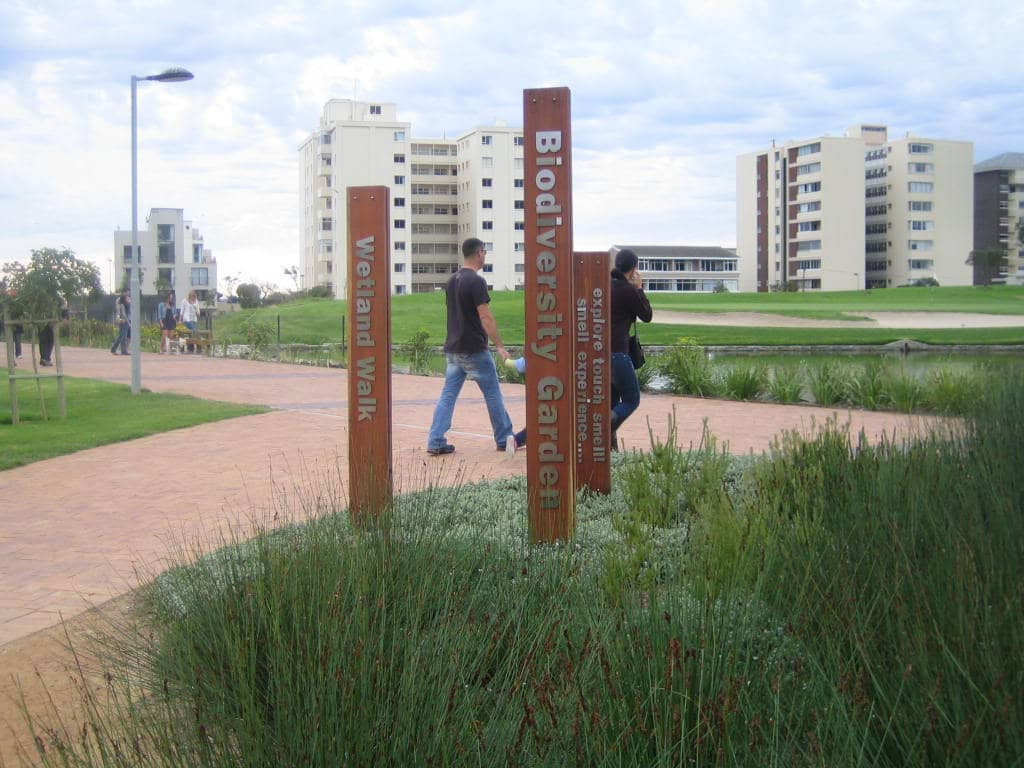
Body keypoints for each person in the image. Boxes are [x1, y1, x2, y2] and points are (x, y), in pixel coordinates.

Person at [426, 237, 519, 456]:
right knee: (493, 393)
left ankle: (435, 440)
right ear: (479, 253)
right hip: (474, 349)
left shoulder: (452, 280)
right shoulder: (476, 281)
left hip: (453, 349)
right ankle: (505, 439)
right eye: (484, 252)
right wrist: (499, 346)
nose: (485, 255)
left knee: (448, 395)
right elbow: (485, 316)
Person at [608, 248, 653, 449]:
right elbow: (647, 315)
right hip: (619, 353)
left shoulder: (605, 287)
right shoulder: (628, 290)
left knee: (612, 401)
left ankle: (610, 449)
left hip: (601, 355)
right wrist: (639, 288)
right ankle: (601, 426)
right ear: (634, 268)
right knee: (631, 399)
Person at [110, 289, 130, 355]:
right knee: (123, 336)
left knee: (121, 336)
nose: (128, 294)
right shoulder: (120, 300)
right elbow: (121, 312)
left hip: (126, 319)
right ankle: (123, 351)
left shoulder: (128, 299)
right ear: (123, 292)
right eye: (127, 292)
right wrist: (119, 319)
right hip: (123, 320)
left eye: (128, 292)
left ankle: (113, 349)